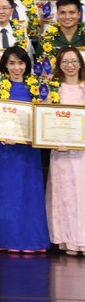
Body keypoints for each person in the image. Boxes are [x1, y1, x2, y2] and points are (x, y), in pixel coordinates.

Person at [0, 46, 50, 252]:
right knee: (7, 194)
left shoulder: (37, 87)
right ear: (5, 65)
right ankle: (8, 240)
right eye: (12, 63)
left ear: (27, 64)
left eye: (21, 63)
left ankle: (33, 240)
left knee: (30, 193)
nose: (17, 68)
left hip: (29, 149)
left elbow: (44, 117)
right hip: (5, 149)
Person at [47, 47, 85, 255]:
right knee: (66, 193)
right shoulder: (53, 89)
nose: (70, 65)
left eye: (74, 61)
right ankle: (68, 240)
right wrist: (52, 139)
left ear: (80, 63)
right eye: (65, 61)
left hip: (82, 151)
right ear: (59, 65)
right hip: (61, 151)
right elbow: (45, 119)